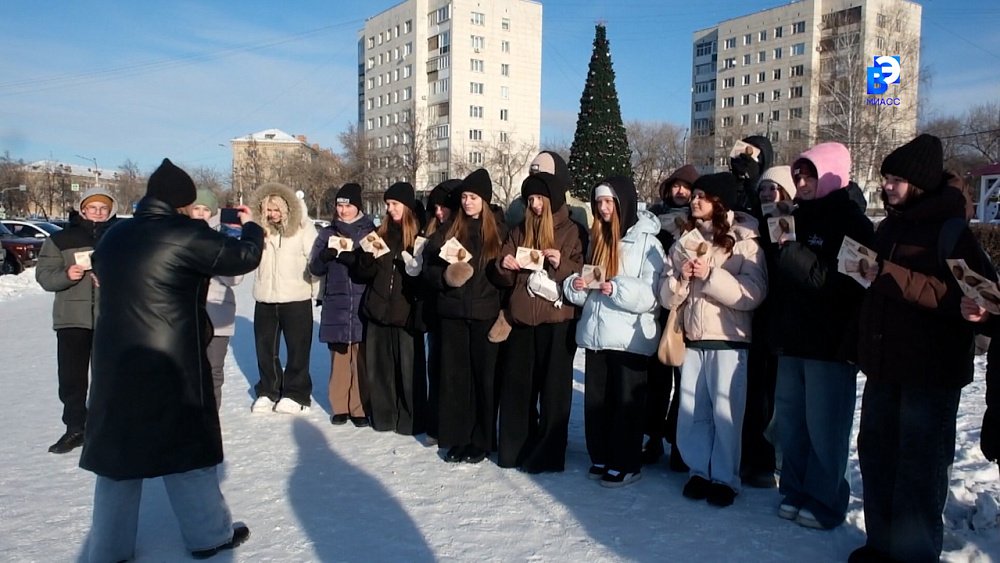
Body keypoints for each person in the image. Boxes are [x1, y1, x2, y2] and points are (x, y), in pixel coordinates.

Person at [79, 158, 262, 561]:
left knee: (117, 459)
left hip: (117, 362)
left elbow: (100, 270)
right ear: (183, 203)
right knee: (188, 452)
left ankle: (108, 549)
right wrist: (251, 226)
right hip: (172, 360)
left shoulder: (115, 235)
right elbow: (244, 256)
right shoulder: (186, 234)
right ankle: (209, 536)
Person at [851, 134, 996, 562]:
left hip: (930, 373)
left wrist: (888, 275)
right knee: (878, 460)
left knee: (919, 471)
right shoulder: (889, 226)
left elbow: (977, 297)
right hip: (884, 366)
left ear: (918, 184)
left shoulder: (952, 230)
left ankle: (913, 554)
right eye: (885, 178)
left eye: (895, 179)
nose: (886, 186)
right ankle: (880, 546)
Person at [769, 142, 874, 530]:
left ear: (831, 175)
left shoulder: (853, 222)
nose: (801, 183)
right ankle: (795, 489)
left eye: (809, 175)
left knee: (825, 427)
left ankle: (825, 499)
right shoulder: (795, 217)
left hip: (830, 345)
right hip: (792, 340)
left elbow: (843, 284)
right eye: (798, 176)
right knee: (792, 424)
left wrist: (792, 253)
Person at [660, 172, 767, 507]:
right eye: (694, 195)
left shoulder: (745, 239)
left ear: (719, 202)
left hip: (729, 339)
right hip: (693, 338)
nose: (694, 201)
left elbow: (754, 292)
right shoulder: (684, 240)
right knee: (693, 410)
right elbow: (665, 295)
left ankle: (725, 478)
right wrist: (680, 280)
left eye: (702, 196)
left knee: (726, 413)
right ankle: (698, 471)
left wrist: (711, 276)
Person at [562, 176, 665, 488]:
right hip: (596, 335)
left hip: (629, 338)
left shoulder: (648, 243)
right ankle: (602, 455)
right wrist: (576, 286)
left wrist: (616, 288)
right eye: (599, 203)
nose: (603, 209)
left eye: (609, 202)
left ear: (624, 203)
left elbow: (652, 295)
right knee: (597, 402)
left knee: (625, 404)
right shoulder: (598, 240)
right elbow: (586, 291)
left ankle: (627, 461)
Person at [491, 172, 584, 473]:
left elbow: (584, 274)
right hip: (521, 321)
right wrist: (503, 265)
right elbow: (502, 269)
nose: (534, 205)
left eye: (539, 199)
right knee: (518, 389)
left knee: (554, 392)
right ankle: (514, 449)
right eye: (529, 199)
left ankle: (548, 453)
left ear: (552, 199)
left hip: (557, 321)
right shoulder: (519, 230)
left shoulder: (573, 231)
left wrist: (562, 264)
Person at [422, 168, 506, 464]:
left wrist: (504, 313)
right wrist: (445, 277)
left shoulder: (498, 230)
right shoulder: (449, 230)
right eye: (465, 197)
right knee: (455, 380)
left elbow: (507, 278)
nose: (468, 202)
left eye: (473, 197)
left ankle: (481, 441)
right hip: (453, 313)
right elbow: (429, 268)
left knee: (484, 380)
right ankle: (457, 438)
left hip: (485, 314)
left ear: (485, 200)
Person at [36, 186, 118, 453]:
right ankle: (75, 428)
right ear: (83, 209)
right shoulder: (61, 239)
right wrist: (66, 275)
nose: (98, 212)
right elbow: (44, 275)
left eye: (103, 208)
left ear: (111, 211)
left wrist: (111, 277)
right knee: (72, 378)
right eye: (93, 207)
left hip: (110, 318)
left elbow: (134, 271)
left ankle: (105, 427)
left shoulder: (119, 236)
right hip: (71, 318)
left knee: (108, 376)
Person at [353, 182, 428, 435]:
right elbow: (364, 274)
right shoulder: (379, 234)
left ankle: (411, 419)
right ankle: (384, 417)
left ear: (407, 205)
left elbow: (424, 282)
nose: (390, 208)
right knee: (380, 369)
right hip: (377, 310)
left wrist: (416, 273)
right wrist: (365, 261)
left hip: (405, 313)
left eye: (395, 204)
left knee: (408, 371)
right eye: (388, 204)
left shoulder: (419, 238)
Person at [741, 164, 796, 488]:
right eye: (763, 188)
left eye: (773, 189)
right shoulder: (753, 224)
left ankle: (770, 461)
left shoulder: (789, 223)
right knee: (753, 392)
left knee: (774, 397)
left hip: (782, 320)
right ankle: (751, 455)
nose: (766, 194)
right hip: (755, 318)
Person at [644, 164, 698, 471]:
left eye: (686, 187)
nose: (680, 191)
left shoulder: (698, 221)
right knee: (657, 379)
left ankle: (680, 443)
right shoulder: (654, 216)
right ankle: (652, 438)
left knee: (685, 381)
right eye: (676, 185)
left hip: (688, 308)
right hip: (659, 305)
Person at [308, 183, 376, 427]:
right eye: (339, 205)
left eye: (348, 206)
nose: (343, 210)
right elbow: (314, 268)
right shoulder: (327, 234)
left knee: (360, 358)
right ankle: (339, 406)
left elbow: (376, 267)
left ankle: (359, 407)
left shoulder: (370, 232)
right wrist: (323, 258)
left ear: (357, 206)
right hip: (336, 303)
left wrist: (358, 262)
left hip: (361, 303)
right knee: (339, 357)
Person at [250, 182, 319, 414]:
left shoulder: (303, 228)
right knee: (265, 349)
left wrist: (318, 292)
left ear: (287, 208)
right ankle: (268, 390)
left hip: (296, 297)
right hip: (265, 298)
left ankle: (296, 394)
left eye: (276, 209)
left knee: (298, 349)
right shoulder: (260, 230)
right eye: (268, 210)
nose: (273, 214)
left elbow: (315, 260)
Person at [189, 188, 245, 410]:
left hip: (218, 315)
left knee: (213, 370)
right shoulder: (181, 236)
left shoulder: (225, 237)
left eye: (206, 209)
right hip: (187, 313)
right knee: (189, 370)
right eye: (196, 208)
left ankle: (211, 416)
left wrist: (213, 260)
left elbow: (235, 278)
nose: (201, 213)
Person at [422, 178, 461, 443]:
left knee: (455, 372)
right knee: (435, 367)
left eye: (443, 207)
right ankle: (436, 424)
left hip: (461, 310)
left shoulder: (463, 231)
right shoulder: (433, 233)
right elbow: (428, 272)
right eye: (435, 208)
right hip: (436, 309)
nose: (438, 213)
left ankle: (453, 426)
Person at [728, 135, 773, 214]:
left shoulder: (771, 190)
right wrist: (736, 179)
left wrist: (753, 181)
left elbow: (765, 214)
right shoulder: (728, 186)